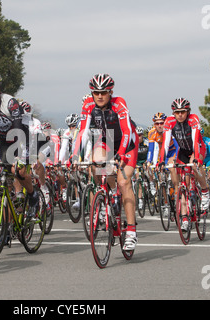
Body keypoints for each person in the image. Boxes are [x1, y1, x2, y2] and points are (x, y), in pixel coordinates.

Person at [72, 73, 139, 251]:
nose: (100, 96)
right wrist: (75, 157)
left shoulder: (119, 103)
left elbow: (126, 132)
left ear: (110, 92)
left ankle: (131, 231)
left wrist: (121, 154)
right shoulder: (88, 105)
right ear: (92, 93)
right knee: (96, 162)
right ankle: (105, 197)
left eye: (104, 92)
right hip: (107, 139)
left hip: (127, 143)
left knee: (124, 182)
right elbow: (83, 132)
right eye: (96, 92)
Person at [0, 69, 39, 217]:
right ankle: (7, 228)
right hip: (4, 142)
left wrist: (18, 157)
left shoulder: (10, 103)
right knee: (5, 185)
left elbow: (18, 130)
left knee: (19, 171)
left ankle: (32, 195)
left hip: (22, 138)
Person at [159, 98, 209, 231]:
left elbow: (195, 140)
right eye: (177, 112)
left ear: (188, 111)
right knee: (182, 185)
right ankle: (185, 218)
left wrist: (196, 158)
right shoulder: (169, 122)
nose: (180, 115)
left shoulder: (193, 119)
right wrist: (161, 161)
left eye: (182, 112)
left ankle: (204, 190)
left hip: (196, 148)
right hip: (182, 151)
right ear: (173, 113)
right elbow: (165, 142)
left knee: (194, 164)